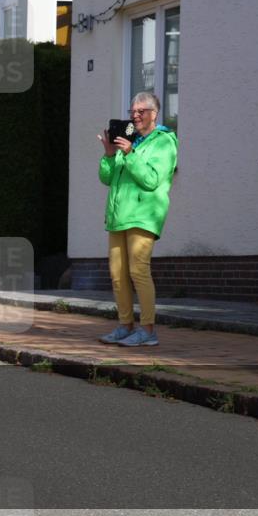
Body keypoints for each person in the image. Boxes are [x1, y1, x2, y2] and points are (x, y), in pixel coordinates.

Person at [96, 92, 178, 347]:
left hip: (144, 216)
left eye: (141, 111)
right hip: (118, 216)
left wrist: (131, 154)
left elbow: (151, 180)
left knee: (138, 270)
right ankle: (125, 325)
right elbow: (107, 178)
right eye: (133, 111)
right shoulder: (128, 141)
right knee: (117, 274)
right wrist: (110, 154)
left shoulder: (164, 142)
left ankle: (148, 330)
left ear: (154, 114)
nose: (135, 115)